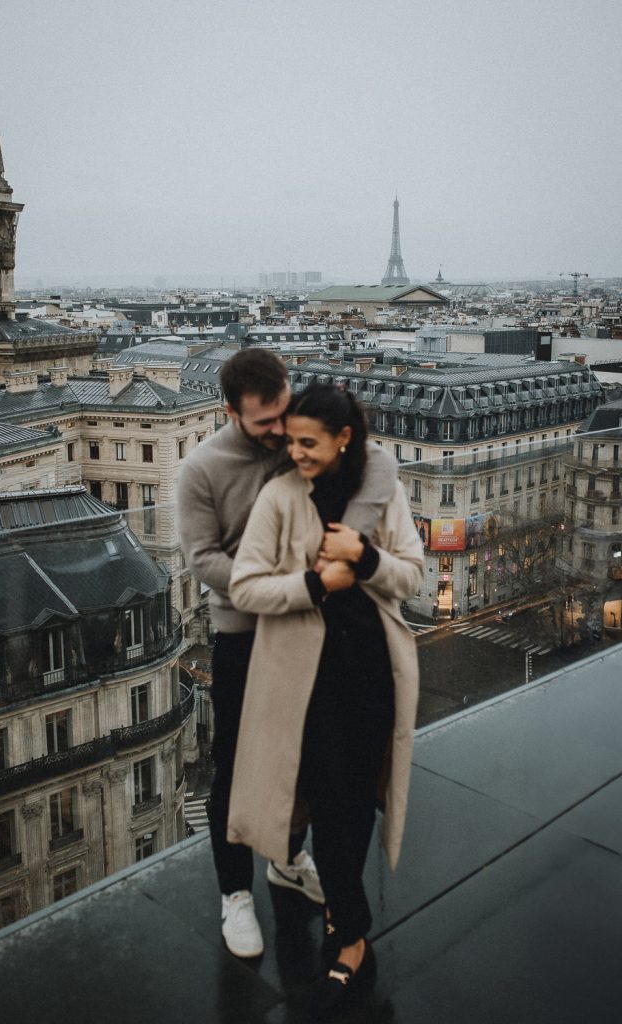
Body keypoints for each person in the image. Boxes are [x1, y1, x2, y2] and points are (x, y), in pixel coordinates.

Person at [177, 351, 397, 959]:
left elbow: (378, 463)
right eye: (264, 424)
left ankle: (289, 859)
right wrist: (287, 581)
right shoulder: (200, 469)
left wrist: (341, 545)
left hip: (311, 622)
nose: (279, 434)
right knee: (236, 765)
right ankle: (234, 894)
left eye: (282, 414)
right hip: (247, 630)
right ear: (231, 413)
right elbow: (202, 559)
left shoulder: (294, 433)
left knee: (304, 755)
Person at [227, 384, 423, 1016]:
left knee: (357, 805)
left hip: (370, 675)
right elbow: (246, 587)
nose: (295, 451)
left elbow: (412, 575)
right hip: (304, 687)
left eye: (308, 442)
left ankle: (344, 917)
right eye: (290, 440)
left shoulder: (382, 493)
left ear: (344, 438)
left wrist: (364, 559)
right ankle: (352, 938)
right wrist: (314, 582)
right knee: (331, 807)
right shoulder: (280, 497)